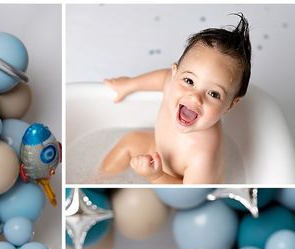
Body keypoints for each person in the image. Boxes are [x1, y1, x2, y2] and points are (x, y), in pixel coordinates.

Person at [101, 14, 251, 183]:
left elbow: (191, 194)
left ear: (231, 104)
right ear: (175, 73)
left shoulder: (204, 154)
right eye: (189, 81)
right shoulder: (172, 82)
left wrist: (156, 176)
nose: (195, 96)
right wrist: (129, 84)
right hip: (157, 150)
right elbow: (162, 78)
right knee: (130, 141)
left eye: (213, 94)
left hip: (174, 179)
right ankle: (98, 180)